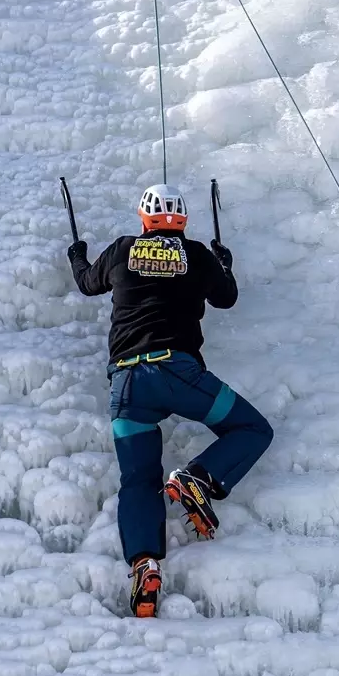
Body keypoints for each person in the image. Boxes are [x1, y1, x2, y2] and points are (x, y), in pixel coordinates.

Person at [66, 183, 274, 617]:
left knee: (138, 480)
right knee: (253, 428)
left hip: (127, 385)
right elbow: (227, 297)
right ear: (182, 220)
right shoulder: (195, 255)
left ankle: (145, 564)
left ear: (145, 219)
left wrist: (77, 253)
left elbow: (87, 284)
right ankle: (197, 478)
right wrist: (224, 263)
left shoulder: (123, 250)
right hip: (177, 373)